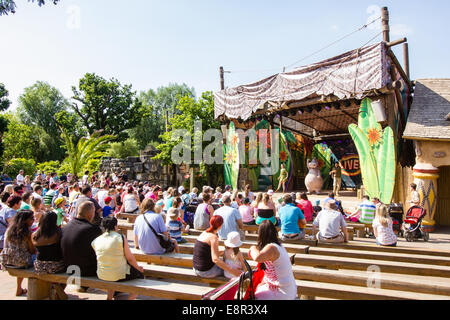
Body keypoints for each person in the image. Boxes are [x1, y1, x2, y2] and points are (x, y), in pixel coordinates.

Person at [92, 217, 144, 300]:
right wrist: (138, 268)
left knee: (112, 268)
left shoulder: (96, 240)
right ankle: (131, 298)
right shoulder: (120, 237)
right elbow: (130, 258)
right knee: (140, 276)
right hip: (118, 275)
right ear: (115, 226)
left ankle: (109, 297)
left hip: (102, 274)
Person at [248, 220, 297, 300]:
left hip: (282, 292)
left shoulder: (271, 247)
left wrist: (252, 247)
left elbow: (257, 258)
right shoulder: (279, 245)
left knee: (253, 296)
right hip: (287, 288)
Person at [61, 201, 102, 277]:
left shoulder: (67, 226)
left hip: (68, 267)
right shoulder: (92, 230)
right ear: (90, 214)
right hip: (85, 270)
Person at [1, 210, 36, 296]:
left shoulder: (9, 229)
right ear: (25, 220)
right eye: (31, 218)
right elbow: (32, 251)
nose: (33, 220)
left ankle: (19, 288)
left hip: (7, 261)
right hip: (21, 262)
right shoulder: (27, 232)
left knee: (20, 254)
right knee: (38, 258)